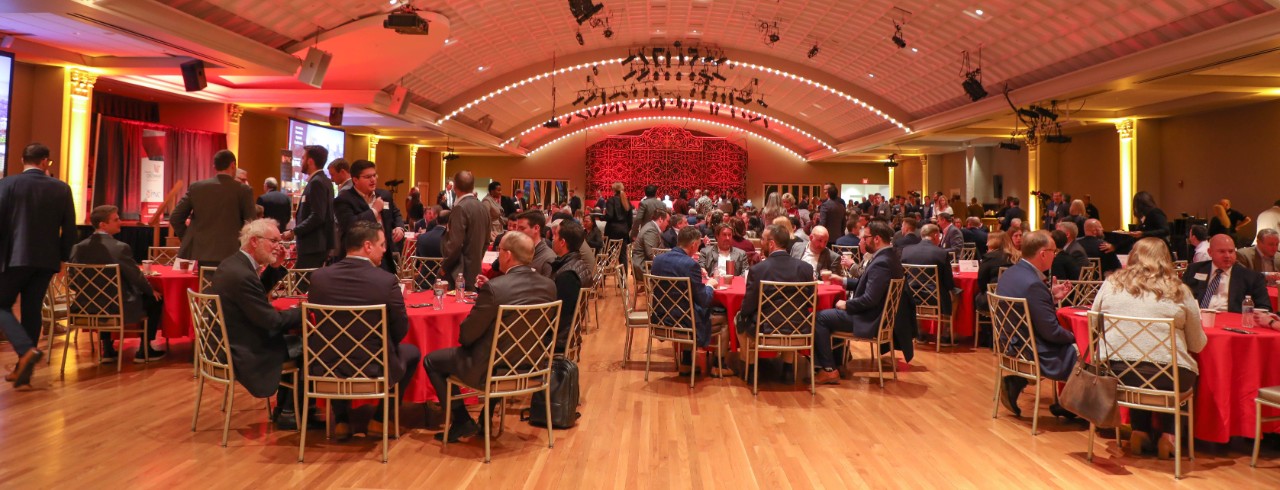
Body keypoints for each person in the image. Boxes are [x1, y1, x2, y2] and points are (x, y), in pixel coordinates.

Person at [423, 232, 556, 442]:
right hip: (534, 365)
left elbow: (466, 336)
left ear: (508, 255)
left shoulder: (495, 288)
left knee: (431, 360)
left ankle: (461, 421)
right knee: (501, 347)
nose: (498, 255)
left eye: (499, 250)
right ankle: (481, 418)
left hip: (493, 370)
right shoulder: (549, 286)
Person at [1091, 238, 1206, 459]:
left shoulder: (1110, 284)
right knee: (1168, 371)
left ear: (1133, 256)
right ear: (1166, 259)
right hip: (1168, 377)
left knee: (1136, 367)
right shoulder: (1180, 291)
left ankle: (1139, 431)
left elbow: (1094, 326)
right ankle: (1169, 436)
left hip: (1115, 374)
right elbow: (1197, 345)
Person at [307, 221, 420, 440]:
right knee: (412, 352)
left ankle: (341, 421)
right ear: (368, 246)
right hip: (373, 367)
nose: (385, 250)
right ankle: (380, 418)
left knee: (339, 349)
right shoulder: (386, 281)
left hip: (325, 366)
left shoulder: (319, 278)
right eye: (382, 244)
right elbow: (400, 329)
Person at [210, 219, 306, 429]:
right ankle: (289, 413)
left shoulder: (233, 264)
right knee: (310, 346)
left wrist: (275, 267)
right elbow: (271, 321)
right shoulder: (242, 274)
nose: (279, 246)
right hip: (244, 350)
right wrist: (305, 312)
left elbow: (255, 295)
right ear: (254, 241)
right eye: (274, 241)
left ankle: (285, 410)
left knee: (298, 340)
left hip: (228, 342)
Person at [0, 143, 77, 387]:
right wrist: (63, 258)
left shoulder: (7, 184)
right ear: (45, 162)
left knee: (1, 305)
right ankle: (25, 369)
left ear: (23, 160)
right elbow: (70, 229)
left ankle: (25, 351)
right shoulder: (62, 188)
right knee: (33, 310)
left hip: (13, 257)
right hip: (47, 259)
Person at [813, 219, 913, 385]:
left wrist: (847, 304)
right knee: (829, 314)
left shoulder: (881, 262)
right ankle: (837, 361)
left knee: (820, 318)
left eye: (865, 237)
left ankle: (829, 369)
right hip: (877, 317)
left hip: (869, 319)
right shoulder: (890, 257)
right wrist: (843, 281)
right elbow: (871, 286)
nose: (862, 241)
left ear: (876, 239)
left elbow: (870, 299)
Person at [994, 230, 1078, 418]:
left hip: (1010, 343)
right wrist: (1079, 336)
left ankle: (1018, 380)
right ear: (1042, 254)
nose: (1054, 256)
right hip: (1032, 350)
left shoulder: (1011, 273)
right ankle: (1073, 406)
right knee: (1087, 352)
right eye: (1053, 252)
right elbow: (1052, 333)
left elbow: (1028, 310)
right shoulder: (1034, 284)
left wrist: (1050, 297)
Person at [72, 205, 167, 363]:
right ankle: (144, 350)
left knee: (104, 298)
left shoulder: (77, 248)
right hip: (117, 307)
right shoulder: (119, 248)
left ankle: (107, 349)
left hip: (86, 307)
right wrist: (151, 291)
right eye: (116, 219)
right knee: (155, 300)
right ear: (103, 225)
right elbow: (136, 277)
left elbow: (73, 281)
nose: (120, 222)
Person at [735, 225, 814, 381]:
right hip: (799, 328)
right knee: (790, 316)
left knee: (739, 318)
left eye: (763, 239)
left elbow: (748, 306)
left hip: (766, 329)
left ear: (771, 244)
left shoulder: (759, 269)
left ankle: (750, 368)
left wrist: (743, 314)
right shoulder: (805, 268)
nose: (761, 242)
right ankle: (788, 370)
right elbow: (810, 299)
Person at [650, 227, 730, 376]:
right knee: (724, 318)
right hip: (684, 321)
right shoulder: (690, 264)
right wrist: (709, 285)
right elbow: (704, 299)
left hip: (660, 318)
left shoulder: (658, 260)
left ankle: (686, 362)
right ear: (693, 244)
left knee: (686, 307)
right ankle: (719, 365)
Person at [170, 149, 255, 268]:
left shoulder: (197, 188)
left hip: (202, 252)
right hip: (233, 253)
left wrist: (191, 238)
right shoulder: (244, 190)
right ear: (233, 165)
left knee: (205, 285)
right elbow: (251, 224)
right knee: (229, 286)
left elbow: (175, 218)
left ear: (214, 166)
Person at [334, 160, 405, 274]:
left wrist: (399, 227)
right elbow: (350, 226)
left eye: (374, 175)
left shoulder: (384, 195)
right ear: (355, 180)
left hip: (384, 257)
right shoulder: (343, 200)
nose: (373, 180)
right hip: (357, 260)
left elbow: (396, 214)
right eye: (367, 177)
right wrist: (374, 211)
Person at [1182, 234, 1272, 313]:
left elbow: (1264, 308)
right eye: (1222, 251)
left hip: (1233, 322)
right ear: (1210, 252)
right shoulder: (1194, 270)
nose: (1227, 256)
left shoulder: (1252, 277)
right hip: (1198, 320)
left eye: (1231, 251)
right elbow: (1179, 298)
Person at [283, 145, 335, 269]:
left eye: (302, 158)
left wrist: (293, 232)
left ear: (310, 161)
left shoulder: (317, 182)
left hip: (312, 245)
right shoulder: (324, 181)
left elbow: (317, 216)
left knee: (302, 285)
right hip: (316, 245)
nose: (301, 162)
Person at [548, 219, 593, 353]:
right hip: (568, 335)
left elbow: (559, 317)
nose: (552, 238)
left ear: (562, 242)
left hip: (558, 341)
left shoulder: (568, 275)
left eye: (555, 235)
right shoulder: (578, 265)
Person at [441, 171, 491, 291]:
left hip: (458, 271)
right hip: (475, 269)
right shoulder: (483, 207)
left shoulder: (460, 208)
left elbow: (455, 244)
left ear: (455, 187)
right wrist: (477, 258)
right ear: (472, 187)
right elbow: (487, 241)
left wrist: (445, 266)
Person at [902, 224, 957, 327]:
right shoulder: (941, 253)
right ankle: (946, 334)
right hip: (934, 297)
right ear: (936, 235)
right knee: (955, 295)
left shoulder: (906, 251)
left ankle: (920, 333)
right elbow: (948, 282)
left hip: (911, 295)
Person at [481, 210, 557, 279]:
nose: (517, 232)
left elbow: (547, 291)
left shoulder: (548, 258)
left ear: (536, 228)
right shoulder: (515, 248)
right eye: (517, 228)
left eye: (522, 228)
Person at [974, 231, 1017, 320]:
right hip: (1017, 298)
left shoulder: (990, 257)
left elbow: (981, 282)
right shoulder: (1018, 255)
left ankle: (985, 330)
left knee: (975, 296)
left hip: (995, 299)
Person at [603, 182, 634, 273]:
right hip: (623, 231)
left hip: (612, 230)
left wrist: (600, 217)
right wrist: (626, 229)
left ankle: (603, 279)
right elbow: (630, 220)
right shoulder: (626, 201)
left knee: (608, 254)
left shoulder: (611, 200)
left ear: (613, 190)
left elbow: (609, 216)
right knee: (623, 256)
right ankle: (623, 280)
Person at [632, 209, 670, 279]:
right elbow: (651, 254)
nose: (668, 224)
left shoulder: (651, 226)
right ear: (660, 219)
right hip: (643, 268)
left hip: (646, 265)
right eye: (667, 221)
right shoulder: (650, 230)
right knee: (675, 272)